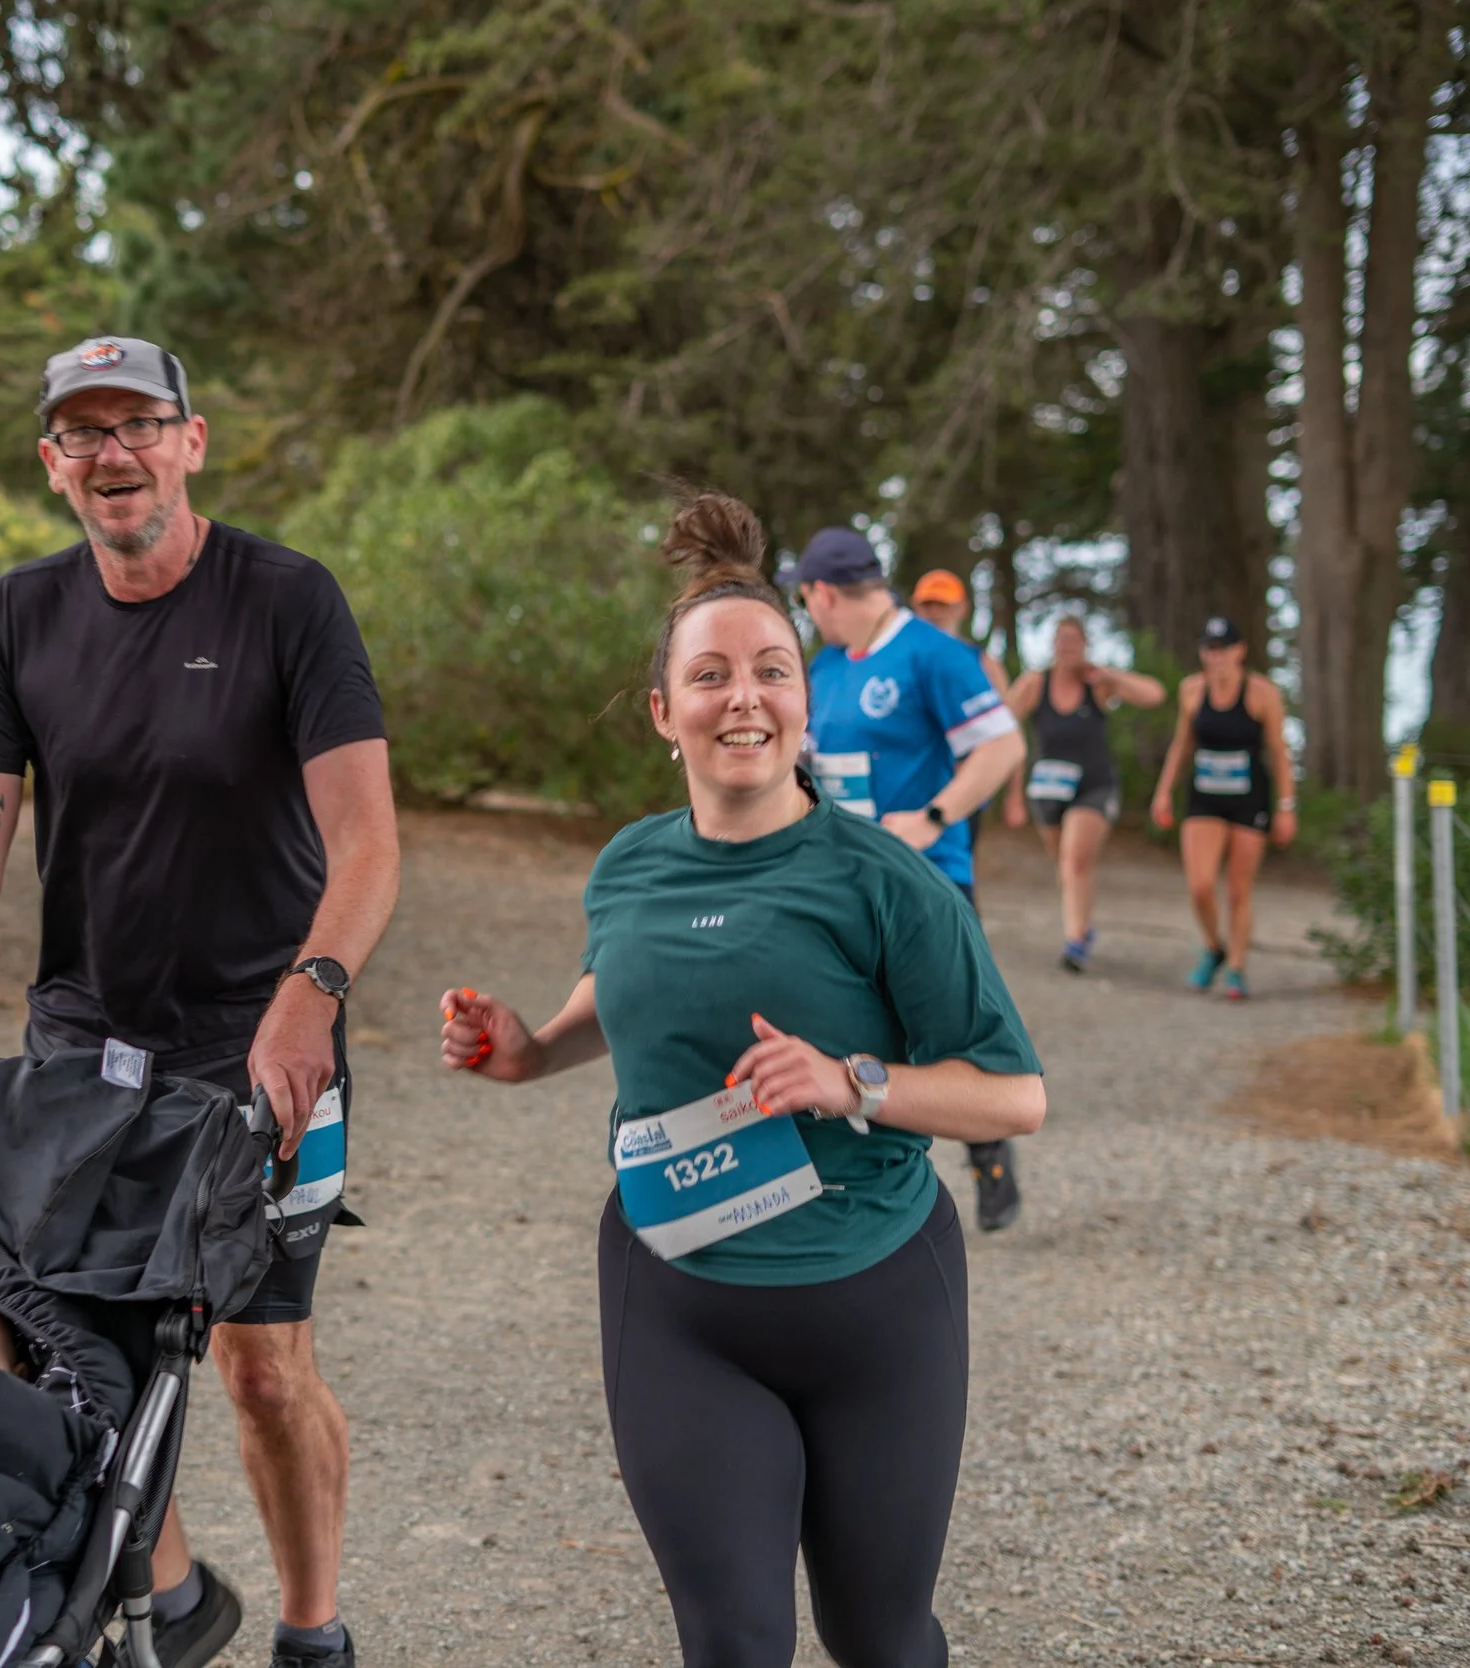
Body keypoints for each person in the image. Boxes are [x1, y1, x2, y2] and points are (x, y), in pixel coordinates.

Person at [437, 491, 1045, 1668]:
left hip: (876, 1300)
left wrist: (848, 1080)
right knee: (730, 1642)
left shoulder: (883, 880)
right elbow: (612, 1005)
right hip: (679, 1302)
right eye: (711, 677)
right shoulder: (628, 867)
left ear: (805, 704)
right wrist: (525, 1050)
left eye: (772, 671)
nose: (745, 698)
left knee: (880, 1638)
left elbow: (1012, 1096)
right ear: (665, 712)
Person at [0, 335, 401, 1668]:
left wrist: (310, 996)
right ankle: (177, 1599)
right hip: (84, 1049)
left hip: (264, 1044)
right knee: (82, 1357)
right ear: (53, 462)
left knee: (258, 1364)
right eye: (85, 433)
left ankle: (312, 1631)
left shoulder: (287, 601)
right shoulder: (19, 616)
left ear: (191, 441)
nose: (113, 453)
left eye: (140, 425)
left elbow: (366, 841)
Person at [783, 527, 1032, 1232]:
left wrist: (933, 814)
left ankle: (989, 1157)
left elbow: (1005, 745)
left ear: (823, 592)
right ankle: (834, 1171)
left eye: (807, 598)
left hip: (927, 884)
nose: (810, 611)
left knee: (951, 1042)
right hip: (837, 884)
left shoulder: (935, 653)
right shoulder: (825, 667)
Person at [1000, 616, 1165, 972]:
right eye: (1062, 639)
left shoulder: (1098, 685)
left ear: (1085, 645)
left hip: (1094, 785)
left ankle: (1074, 941)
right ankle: (1083, 926)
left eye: (1075, 640)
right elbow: (1004, 733)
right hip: (1047, 788)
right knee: (1065, 864)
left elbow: (1154, 695)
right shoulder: (1034, 684)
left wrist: (1112, 677)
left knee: (1076, 860)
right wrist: (1013, 794)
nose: (1068, 646)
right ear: (1053, 645)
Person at [1148, 614, 1297, 1001]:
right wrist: (1163, 792)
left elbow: (1279, 753)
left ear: (1240, 652)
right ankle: (1213, 947)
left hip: (1250, 799)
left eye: (1223, 649)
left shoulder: (1262, 693)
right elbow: (1182, 745)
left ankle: (1236, 968)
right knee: (1199, 885)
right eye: (1209, 649)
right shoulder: (1192, 691)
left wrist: (1286, 806)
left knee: (1237, 889)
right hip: (1204, 797)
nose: (1215, 658)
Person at [909, 568, 1009, 698]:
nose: (935, 613)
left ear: (963, 608)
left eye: (943, 605)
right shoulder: (898, 657)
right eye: (927, 605)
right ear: (914, 607)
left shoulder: (983, 663)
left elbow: (1004, 712)